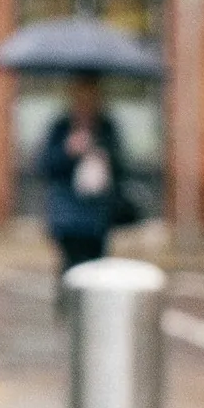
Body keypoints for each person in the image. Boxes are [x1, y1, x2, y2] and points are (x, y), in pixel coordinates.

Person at [34, 73, 125, 271]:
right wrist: (68, 151)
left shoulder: (106, 128)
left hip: (98, 216)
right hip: (68, 217)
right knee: (71, 271)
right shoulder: (61, 127)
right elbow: (44, 165)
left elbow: (121, 168)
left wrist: (104, 157)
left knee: (96, 273)